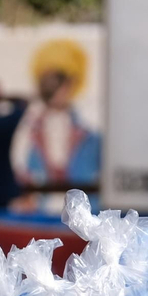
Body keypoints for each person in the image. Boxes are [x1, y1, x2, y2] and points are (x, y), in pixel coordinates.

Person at [9, 39, 101, 211]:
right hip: (42, 209)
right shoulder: (31, 123)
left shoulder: (87, 126)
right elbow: (21, 163)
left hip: (82, 212)